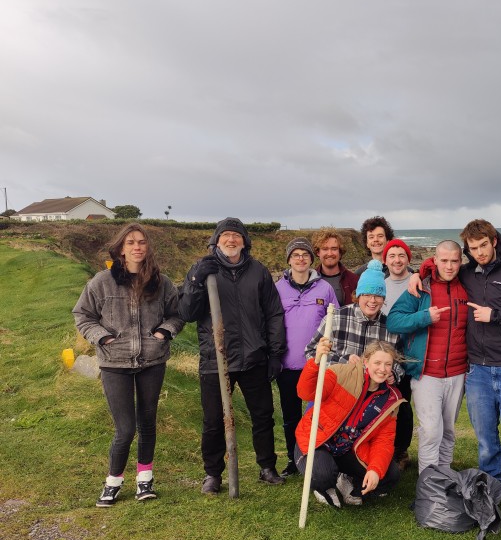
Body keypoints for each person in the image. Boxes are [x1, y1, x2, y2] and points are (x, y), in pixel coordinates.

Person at [410, 219, 501, 483]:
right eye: (473, 248)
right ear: (468, 251)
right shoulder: (467, 273)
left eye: (484, 245)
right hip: (478, 370)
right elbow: (442, 265)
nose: (480, 252)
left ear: (494, 241)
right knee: (485, 441)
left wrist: (495, 315)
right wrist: (419, 271)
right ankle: (492, 487)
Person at [73, 223, 184, 507]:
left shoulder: (161, 282)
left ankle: (145, 479)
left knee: (147, 423)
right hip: (114, 364)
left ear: (147, 247)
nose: (137, 247)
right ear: (121, 248)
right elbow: (83, 315)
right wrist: (103, 338)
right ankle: (113, 482)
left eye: (142, 242)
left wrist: (164, 333)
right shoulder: (102, 281)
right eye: (131, 242)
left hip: (152, 361)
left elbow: (177, 314)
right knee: (125, 429)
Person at [178, 217, 287, 494]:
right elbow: (187, 313)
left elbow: (274, 313)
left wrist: (275, 353)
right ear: (216, 240)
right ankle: (213, 475)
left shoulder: (258, 272)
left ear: (244, 241)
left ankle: (266, 467)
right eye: (225, 235)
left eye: (236, 236)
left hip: (253, 357)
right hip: (216, 358)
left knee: (262, 415)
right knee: (213, 420)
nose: (231, 240)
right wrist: (195, 280)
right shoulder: (203, 270)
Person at [387, 240, 469, 474]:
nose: (450, 266)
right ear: (435, 260)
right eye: (444, 260)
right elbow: (394, 320)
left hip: (458, 372)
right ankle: (429, 484)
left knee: (449, 431)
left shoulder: (466, 285)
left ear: (461, 262)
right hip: (426, 374)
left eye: (454, 261)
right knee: (431, 431)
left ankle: (444, 476)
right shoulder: (421, 287)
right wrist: (424, 317)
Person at [295, 340, 405, 507]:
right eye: (377, 363)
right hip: (318, 440)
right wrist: (316, 362)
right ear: (366, 361)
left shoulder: (390, 399)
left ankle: (346, 478)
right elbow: (306, 392)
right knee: (322, 476)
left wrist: (375, 470)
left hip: (348, 449)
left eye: (388, 364)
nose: (382, 369)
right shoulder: (341, 373)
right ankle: (325, 484)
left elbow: (384, 441)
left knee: (390, 474)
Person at [275, 237, 339, 477]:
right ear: (289, 260)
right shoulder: (277, 288)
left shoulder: (325, 288)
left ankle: (316, 459)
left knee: (317, 416)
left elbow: (336, 323)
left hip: (317, 364)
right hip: (287, 365)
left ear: (312, 259)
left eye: (305, 254)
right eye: (295, 255)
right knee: (291, 417)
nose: (300, 259)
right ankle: (294, 461)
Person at [380, 238, 415, 469]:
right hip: (386, 353)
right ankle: (383, 449)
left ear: (408, 259)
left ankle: (401, 450)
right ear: (385, 260)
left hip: (412, 352)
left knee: (403, 403)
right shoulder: (380, 285)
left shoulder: (417, 282)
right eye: (392, 256)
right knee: (384, 403)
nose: (397, 260)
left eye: (401, 255)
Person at [312, 228, 359, 306]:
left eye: (334, 249)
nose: (330, 253)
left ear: (340, 252)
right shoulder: (310, 281)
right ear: (318, 252)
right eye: (325, 249)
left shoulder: (354, 281)